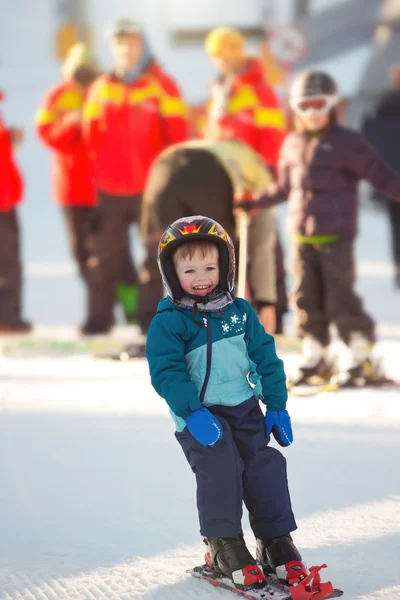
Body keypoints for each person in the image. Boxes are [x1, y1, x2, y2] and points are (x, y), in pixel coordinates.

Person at [146, 215, 335, 596]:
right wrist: (192, 412)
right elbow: (166, 372)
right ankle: (224, 545)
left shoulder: (239, 313)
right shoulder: (170, 322)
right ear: (172, 272)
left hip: (244, 407)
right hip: (200, 417)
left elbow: (265, 357)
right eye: (190, 269)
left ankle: (275, 540)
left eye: (211, 267)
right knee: (220, 468)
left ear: (226, 267)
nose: (202, 276)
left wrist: (277, 405)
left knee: (263, 465)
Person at [240, 71, 400, 386]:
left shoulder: (349, 144)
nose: (313, 114)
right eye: (305, 106)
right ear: (297, 109)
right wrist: (252, 202)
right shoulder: (292, 144)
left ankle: (361, 355)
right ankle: (316, 352)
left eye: (320, 105)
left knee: (340, 298)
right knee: (305, 298)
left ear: (333, 107)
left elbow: (382, 176)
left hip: (335, 236)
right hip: (301, 235)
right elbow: (283, 188)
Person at [83, 17, 189, 335]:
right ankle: (99, 321)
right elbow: (90, 136)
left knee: (153, 257)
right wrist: (100, 173)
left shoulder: (162, 85)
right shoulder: (101, 87)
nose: (124, 49)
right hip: (110, 188)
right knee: (104, 257)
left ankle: (148, 320)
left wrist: (169, 180)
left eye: (130, 42)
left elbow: (179, 135)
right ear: (112, 47)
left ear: (141, 44)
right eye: (118, 43)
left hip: (151, 188)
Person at [141, 138, 279, 333]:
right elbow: (261, 248)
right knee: (216, 256)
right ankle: (218, 329)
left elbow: (150, 232)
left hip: (162, 170)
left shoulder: (222, 148)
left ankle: (152, 324)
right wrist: (267, 304)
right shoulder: (260, 174)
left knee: (173, 253)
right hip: (208, 174)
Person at [202, 27, 288, 332]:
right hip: (225, 180)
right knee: (231, 248)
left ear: (239, 52)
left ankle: (272, 314)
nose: (224, 59)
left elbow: (273, 138)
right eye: (217, 54)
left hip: (255, 179)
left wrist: (264, 182)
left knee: (263, 245)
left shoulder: (259, 88)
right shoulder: (219, 90)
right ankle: (230, 315)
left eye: (229, 51)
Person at [35, 43, 100, 332]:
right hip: (72, 187)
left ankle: (118, 312)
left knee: (110, 252)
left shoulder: (102, 91)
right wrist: (71, 124)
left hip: (102, 186)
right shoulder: (58, 95)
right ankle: (99, 311)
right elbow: (47, 134)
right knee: (81, 253)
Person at [362, 63, 400, 288]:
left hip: (390, 181)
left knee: (396, 228)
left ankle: (398, 270)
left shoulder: (380, 106)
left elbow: (369, 140)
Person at [0, 91, 31, 333]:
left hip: (6, 198)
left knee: (9, 262)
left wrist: (8, 138)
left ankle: (9, 317)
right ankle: (7, 319)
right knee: (8, 262)